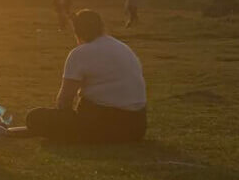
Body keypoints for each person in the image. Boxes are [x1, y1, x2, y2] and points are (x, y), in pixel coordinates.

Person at [21, 9, 147, 143]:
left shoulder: (80, 53)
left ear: (77, 32)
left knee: (34, 117)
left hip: (104, 125)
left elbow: (64, 100)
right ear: (101, 27)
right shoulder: (123, 48)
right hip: (136, 127)